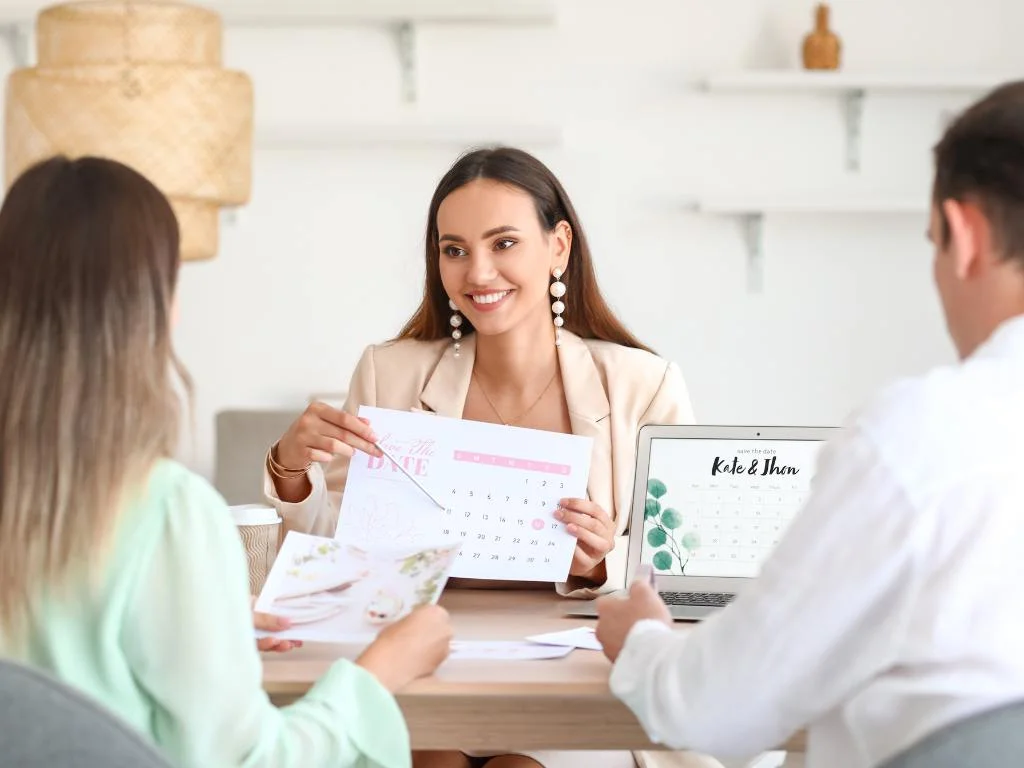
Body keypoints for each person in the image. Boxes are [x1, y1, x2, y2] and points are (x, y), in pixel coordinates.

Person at [594, 80, 1024, 768]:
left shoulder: (923, 436)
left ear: (964, 235)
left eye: (933, 245)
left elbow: (715, 709)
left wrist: (643, 636)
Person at [262, 147, 716, 768]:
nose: (478, 272)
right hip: (422, 652)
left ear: (558, 247)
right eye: (455, 250)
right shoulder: (389, 371)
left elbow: (682, 575)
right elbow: (342, 547)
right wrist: (291, 472)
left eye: (503, 243)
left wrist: (599, 561)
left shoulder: (643, 384)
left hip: (570, 668)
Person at [0, 155, 453, 768]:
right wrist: (378, 673)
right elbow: (250, 762)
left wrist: (205, 613)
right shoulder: (166, 512)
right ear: (155, 306)